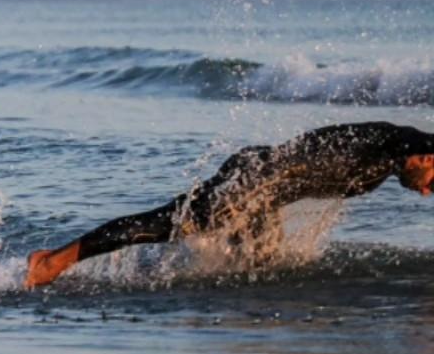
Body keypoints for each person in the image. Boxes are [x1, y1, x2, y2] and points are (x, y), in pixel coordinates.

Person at [26, 120, 434, 288]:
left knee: (262, 268)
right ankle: (53, 261)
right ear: (428, 158)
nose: (425, 193)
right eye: (432, 184)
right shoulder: (396, 141)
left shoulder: (383, 164)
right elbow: (416, 140)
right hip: (253, 178)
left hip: (265, 195)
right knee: (172, 224)